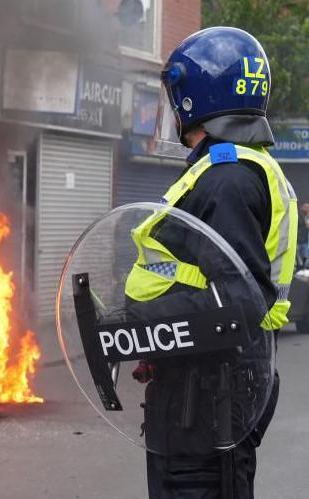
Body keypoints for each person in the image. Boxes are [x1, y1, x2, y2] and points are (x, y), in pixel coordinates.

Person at [125, 27, 296, 498]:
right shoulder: (238, 170)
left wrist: (134, 324)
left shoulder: (226, 180)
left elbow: (235, 303)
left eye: (174, 98)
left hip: (204, 404)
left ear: (196, 98)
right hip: (201, 392)